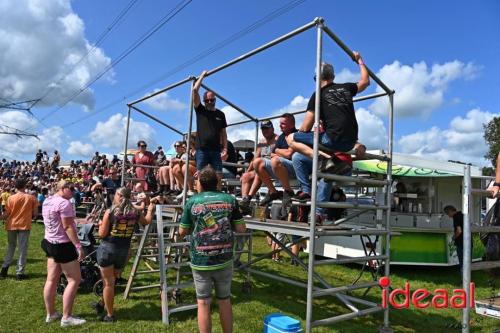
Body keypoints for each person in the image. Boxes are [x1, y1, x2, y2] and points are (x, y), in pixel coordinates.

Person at [286, 52, 369, 222]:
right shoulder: (345, 88)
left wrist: (304, 133)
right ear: (333, 76)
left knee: (291, 138)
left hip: (333, 142)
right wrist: (359, 61)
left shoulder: (318, 94)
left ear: (317, 78)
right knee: (321, 170)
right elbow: (365, 82)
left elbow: (305, 127)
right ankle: (317, 211)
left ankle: (321, 158)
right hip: (348, 142)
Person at [179, 166, 246, 333]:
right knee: (224, 300)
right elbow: (241, 229)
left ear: (200, 184)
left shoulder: (192, 201)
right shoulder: (230, 200)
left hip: (201, 261)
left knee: (203, 303)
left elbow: (182, 231)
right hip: (224, 259)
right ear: (217, 183)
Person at [92, 187, 155, 322]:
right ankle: (101, 304)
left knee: (108, 283)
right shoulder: (135, 212)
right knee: (111, 281)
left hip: (108, 250)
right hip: (123, 251)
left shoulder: (110, 212)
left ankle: (110, 315)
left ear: (119, 195)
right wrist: (150, 210)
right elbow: (147, 221)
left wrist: (101, 224)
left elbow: (102, 234)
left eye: (116, 194)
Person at [41, 180, 86, 327]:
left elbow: (63, 222)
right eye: (71, 188)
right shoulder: (64, 203)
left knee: (51, 279)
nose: (74, 191)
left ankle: (51, 313)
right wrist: (78, 246)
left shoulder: (48, 200)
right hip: (62, 244)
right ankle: (66, 317)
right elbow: (67, 226)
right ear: (63, 188)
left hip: (50, 242)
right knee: (74, 279)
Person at [192, 70, 228, 187]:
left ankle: (218, 201)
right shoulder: (200, 110)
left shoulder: (220, 114)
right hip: (202, 149)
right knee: (201, 176)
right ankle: (200, 201)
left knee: (218, 176)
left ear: (215, 100)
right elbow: (194, 90)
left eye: (211, 100)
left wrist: (225, 149)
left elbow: (224, 133)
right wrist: (202, 76)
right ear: (204, 101)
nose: (209, 102)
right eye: (207, 100)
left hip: (216, 150)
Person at [254, 113, 297, 207]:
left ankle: (288, 191)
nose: (280, 126)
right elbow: (272, 154)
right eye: (280, 123)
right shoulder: (281, 137)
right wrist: (280, 152)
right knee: (257, 162)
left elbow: (289, 154)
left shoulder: (297, 134)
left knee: (275, 160)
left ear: (292, 124)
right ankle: (273, 192)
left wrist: (278, 151)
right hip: (279, 168)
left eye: (283, 124)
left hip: (294, 168)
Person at [0, 178, 38, 280]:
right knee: (22, 249)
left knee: (11, 247)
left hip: (11, 225)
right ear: (25, 186)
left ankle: (4, 269)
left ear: (16, 187)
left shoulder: (11, 198)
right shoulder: (31, 198)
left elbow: (6, 213)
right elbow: (35, 214)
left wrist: (1, 217)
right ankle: (19, 273)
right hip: (24, 225)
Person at [239, 120, 278, 213]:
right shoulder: (261, 143)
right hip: (260, 167)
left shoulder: (278, 139)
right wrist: (247, 172)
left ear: (272, 128)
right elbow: (254, 159)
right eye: (263, 129)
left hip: (273, 167)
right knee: (245, 176)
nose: (265, 131)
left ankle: (248, 198)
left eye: (267, 129)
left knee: (259, 171)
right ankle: (245, 204)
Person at [444, 205, 471, 271]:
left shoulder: (455, 217)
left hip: (461, 243)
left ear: (450, 211)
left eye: (448, 213)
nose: (448, 216)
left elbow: (459, 231)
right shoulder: (463, 214)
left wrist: (454, 237)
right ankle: (469, 279)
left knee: (462, 263)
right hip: (469, 242)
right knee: (468, 263)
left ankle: (464, 280)